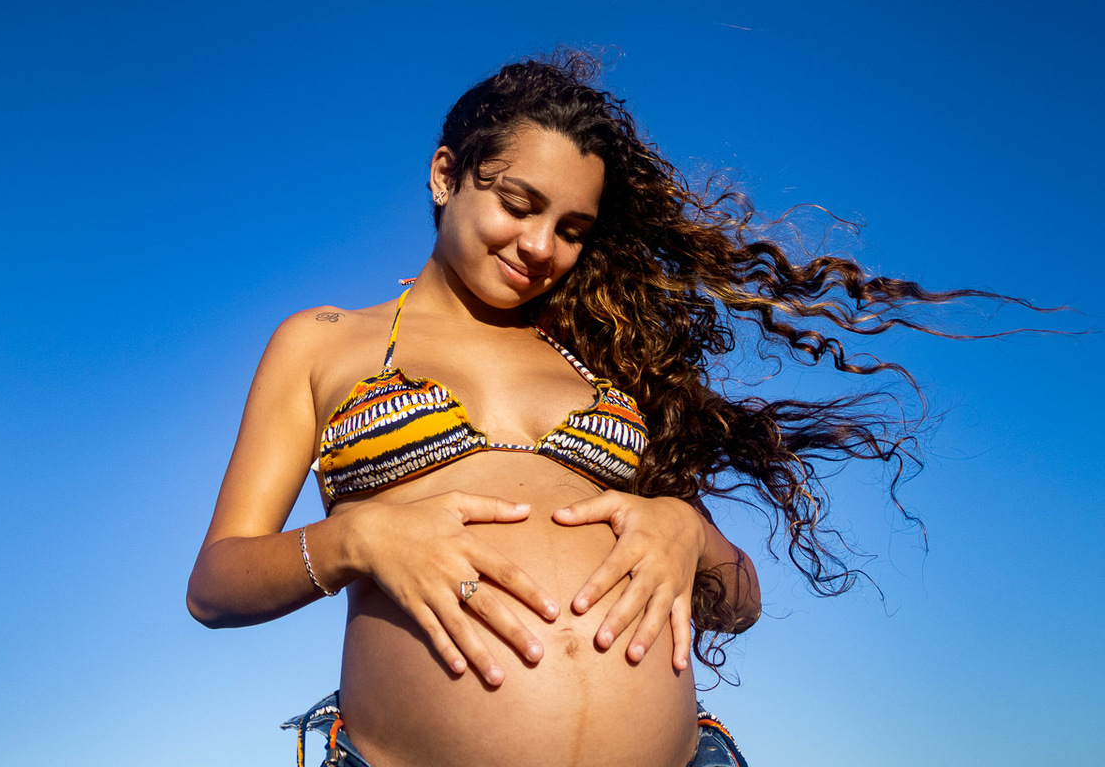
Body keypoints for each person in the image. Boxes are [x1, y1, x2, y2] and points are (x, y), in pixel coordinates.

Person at [187, 52, 1003, 767]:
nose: (541, 246)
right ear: (445, 175)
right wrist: (351, 539)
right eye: (517, 202)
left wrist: (690, 535)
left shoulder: (606, 362)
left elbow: (742, 601)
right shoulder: (325, 343)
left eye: (572, 228)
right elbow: (215, 586)